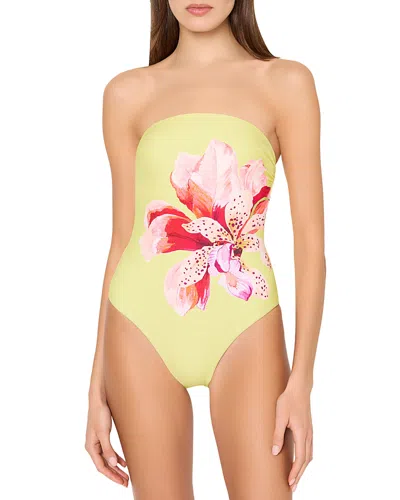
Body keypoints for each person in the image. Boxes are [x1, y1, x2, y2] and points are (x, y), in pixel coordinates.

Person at [85, 1, 326, 498]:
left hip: (245, 325)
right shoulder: (126, 94)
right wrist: (96, 386)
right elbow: (122, 241)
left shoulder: (285, 83)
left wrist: (302, 380)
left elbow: (310, 241)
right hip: (139, 329)